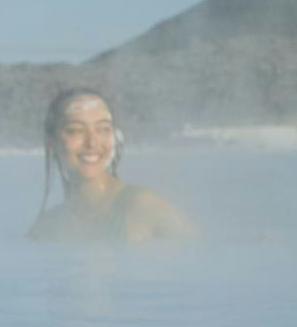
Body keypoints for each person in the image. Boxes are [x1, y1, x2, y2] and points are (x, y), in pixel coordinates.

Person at [28, 87, 197, 242]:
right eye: (76, 130)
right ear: (52, 142)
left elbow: (197, 257)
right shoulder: (47, 227)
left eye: (103, 129)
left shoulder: (145, 208)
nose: (92, 143)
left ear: (115, 137)